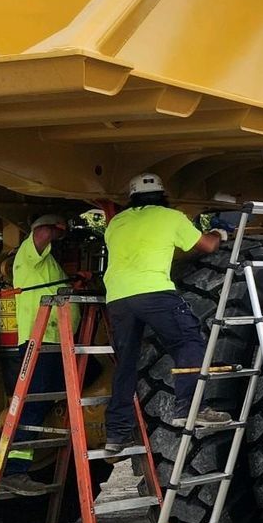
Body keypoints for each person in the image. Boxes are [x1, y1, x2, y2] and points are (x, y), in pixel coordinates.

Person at [103, 173, 231, 454]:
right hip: (154, 293)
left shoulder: (116, 222)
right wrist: (218, 233)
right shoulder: (170, 217)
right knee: (188, 341)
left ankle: (116, 433)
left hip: (118, 298)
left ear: (132, 197)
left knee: (125, 363)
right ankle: (190, 407)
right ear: (163, 196)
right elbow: (206, 246)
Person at [0, 213, 70, 499]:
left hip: (52, 340)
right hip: (39, 340)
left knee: (44, 402)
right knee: (32, 407)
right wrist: (54, 227)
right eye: (57, 233)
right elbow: (41, 235)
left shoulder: (47, 264)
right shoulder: (30, 252)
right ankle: (15, 472)